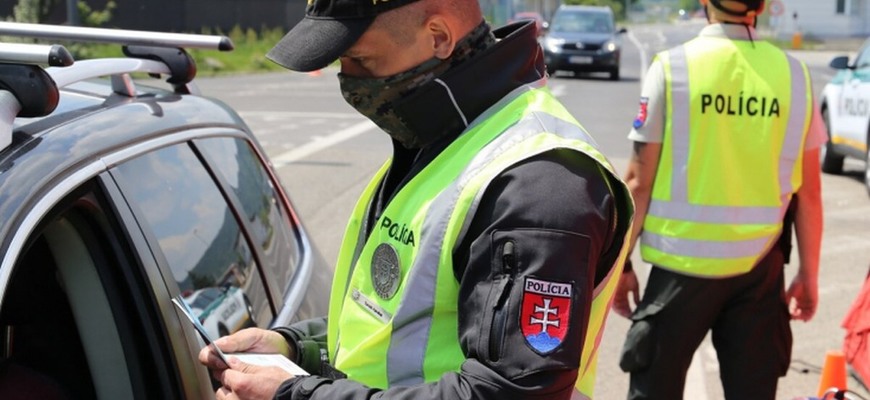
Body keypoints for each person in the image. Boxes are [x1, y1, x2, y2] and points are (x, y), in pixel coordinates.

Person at [197, 0, 635, 399]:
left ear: (439, 37)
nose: (348, 79)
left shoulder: (537, 183)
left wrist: (296, 396)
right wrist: (298, 347)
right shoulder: (442, 137)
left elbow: (511, 392)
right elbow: (401, 322)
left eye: (361, 58)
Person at [612, 0, 825, 399]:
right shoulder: (795, 77)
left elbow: (639, 181)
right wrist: (808, 275)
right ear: (761, 6)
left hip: (680, 269)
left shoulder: (673, 68)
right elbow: (809, 193)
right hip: (760, 271)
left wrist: (619, 265)